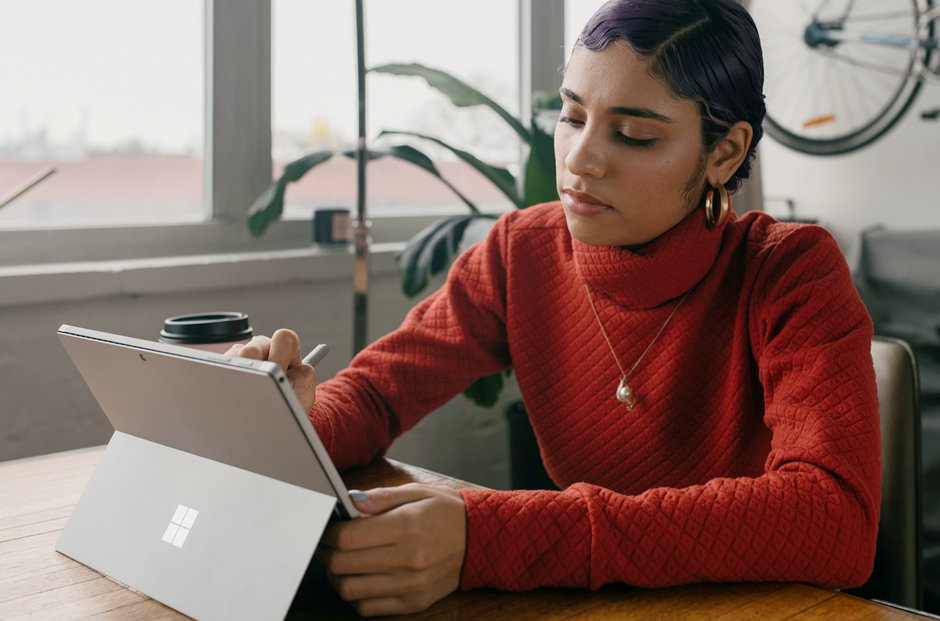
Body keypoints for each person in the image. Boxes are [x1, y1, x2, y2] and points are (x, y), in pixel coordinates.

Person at [228, 0, 881, 616]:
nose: (579, 159)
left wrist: (494, 536)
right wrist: (289, 414)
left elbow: (835, 514)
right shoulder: (521, 253)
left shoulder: (793, 271)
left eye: (631, 134)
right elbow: (374, 394)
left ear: (725, 152)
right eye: (570, 117)